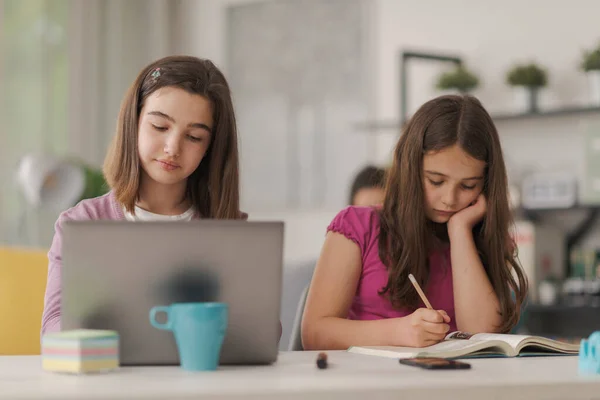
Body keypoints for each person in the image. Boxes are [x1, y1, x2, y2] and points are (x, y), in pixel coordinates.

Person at [301, 94, 528, 350]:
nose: (449, 199)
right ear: (410, 168)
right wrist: (398, 332)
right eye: (435, 181)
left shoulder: (481, 238)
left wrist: (460, 231)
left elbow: (484, 339)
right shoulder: (357, 227)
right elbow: (314, 334)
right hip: (369, 385)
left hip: (453, 386)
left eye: (468, 185)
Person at [41, 56, 244, 335]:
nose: (173, 147)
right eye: (160, 127)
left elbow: (264, 331)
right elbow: (52, 328)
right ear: (133, 124)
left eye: (194, 137)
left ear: (211, 148)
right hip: (110, 374)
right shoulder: (83, 222)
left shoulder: (228, 226)